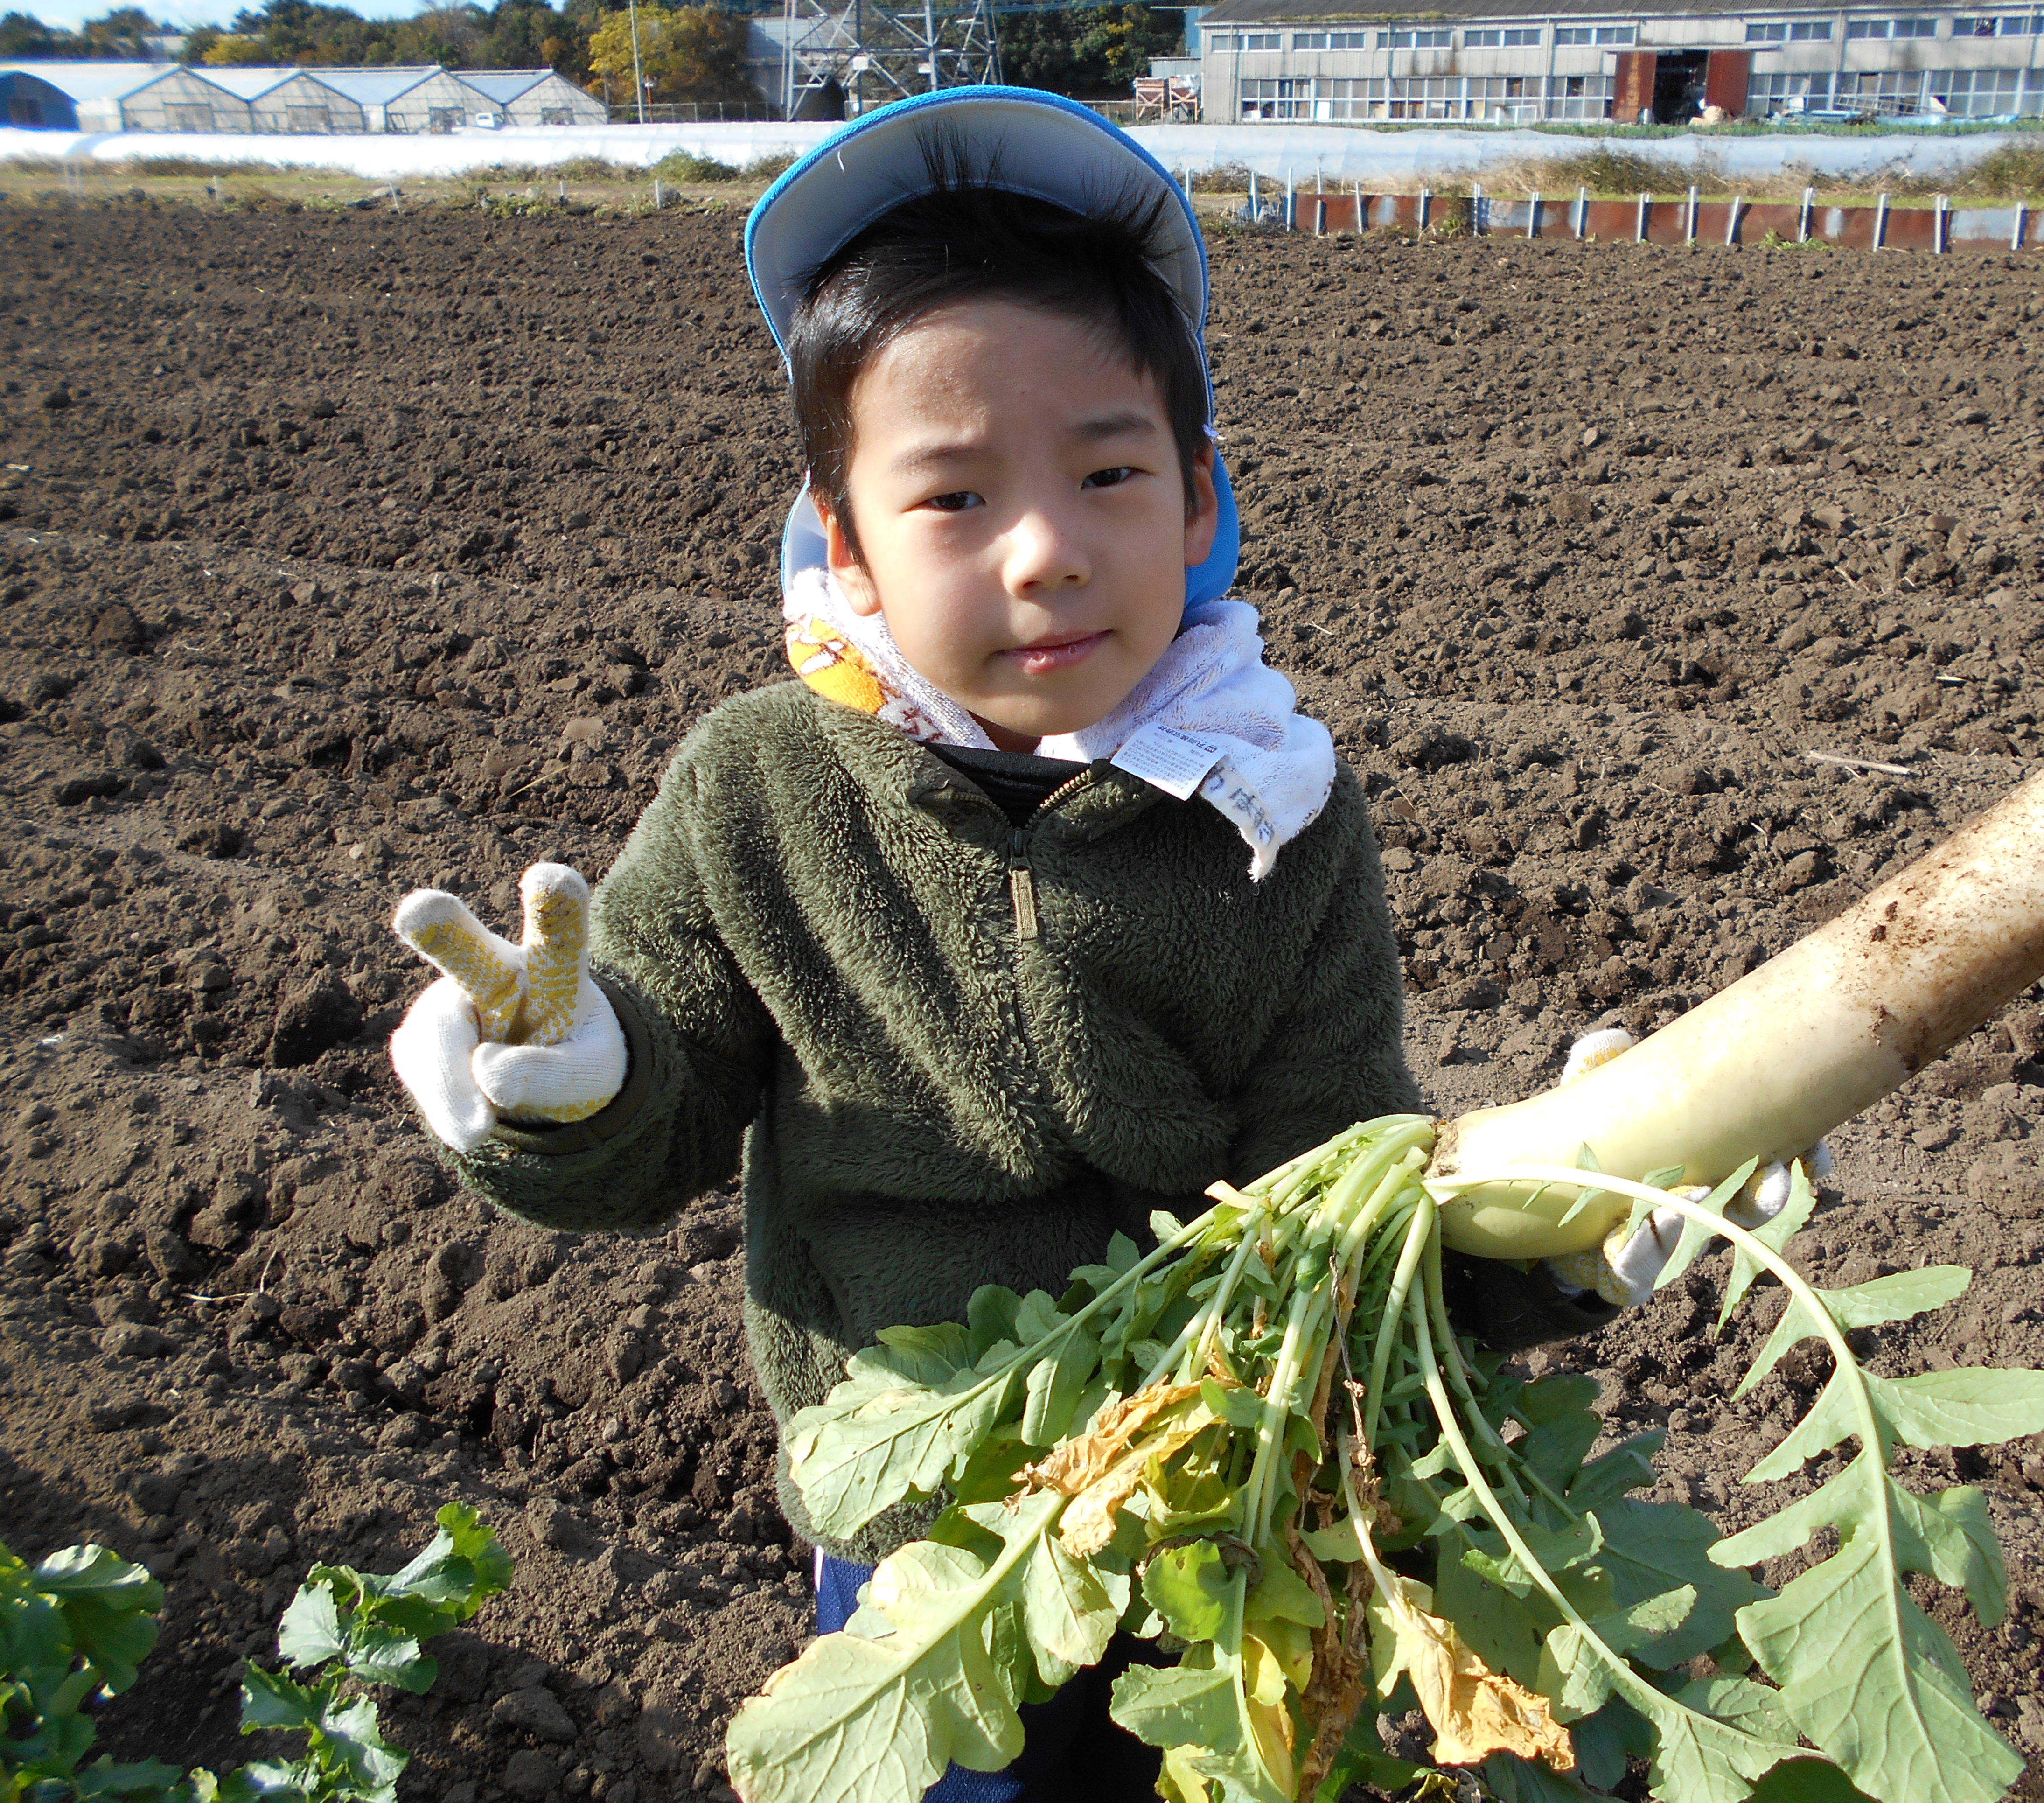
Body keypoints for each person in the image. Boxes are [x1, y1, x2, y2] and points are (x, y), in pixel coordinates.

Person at [383, 87, 1721, 1799]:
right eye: (952, 500)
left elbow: (1340, 1196)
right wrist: (574, 1087)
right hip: (925, 1538)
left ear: (1195, 502)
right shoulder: (760, 789)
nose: (1045, 553)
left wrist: (1556, 1226)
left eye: (1107, 473)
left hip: (1215, 1525)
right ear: (846, 546)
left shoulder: (1272, 810)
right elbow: (660, 1121)